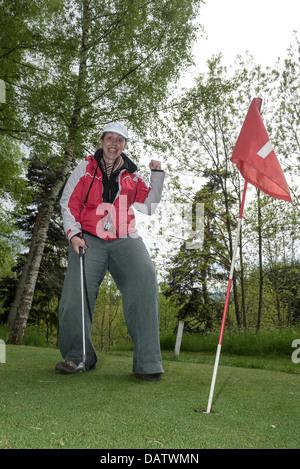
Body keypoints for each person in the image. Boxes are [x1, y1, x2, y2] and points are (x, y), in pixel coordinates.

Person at [55, 122, 165, 380]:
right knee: (75, 293)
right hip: (88, 238)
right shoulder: (84, 168)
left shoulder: (132, 177)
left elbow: (149, 207)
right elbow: (67, 203)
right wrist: (73, 234)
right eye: (110, 138)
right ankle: (77, 357)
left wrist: (157, 176)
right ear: (102, 140)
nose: (114, 144)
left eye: (120, 140)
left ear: (124, 145)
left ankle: (148, 363)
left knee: (145, 277)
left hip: (124, 237)